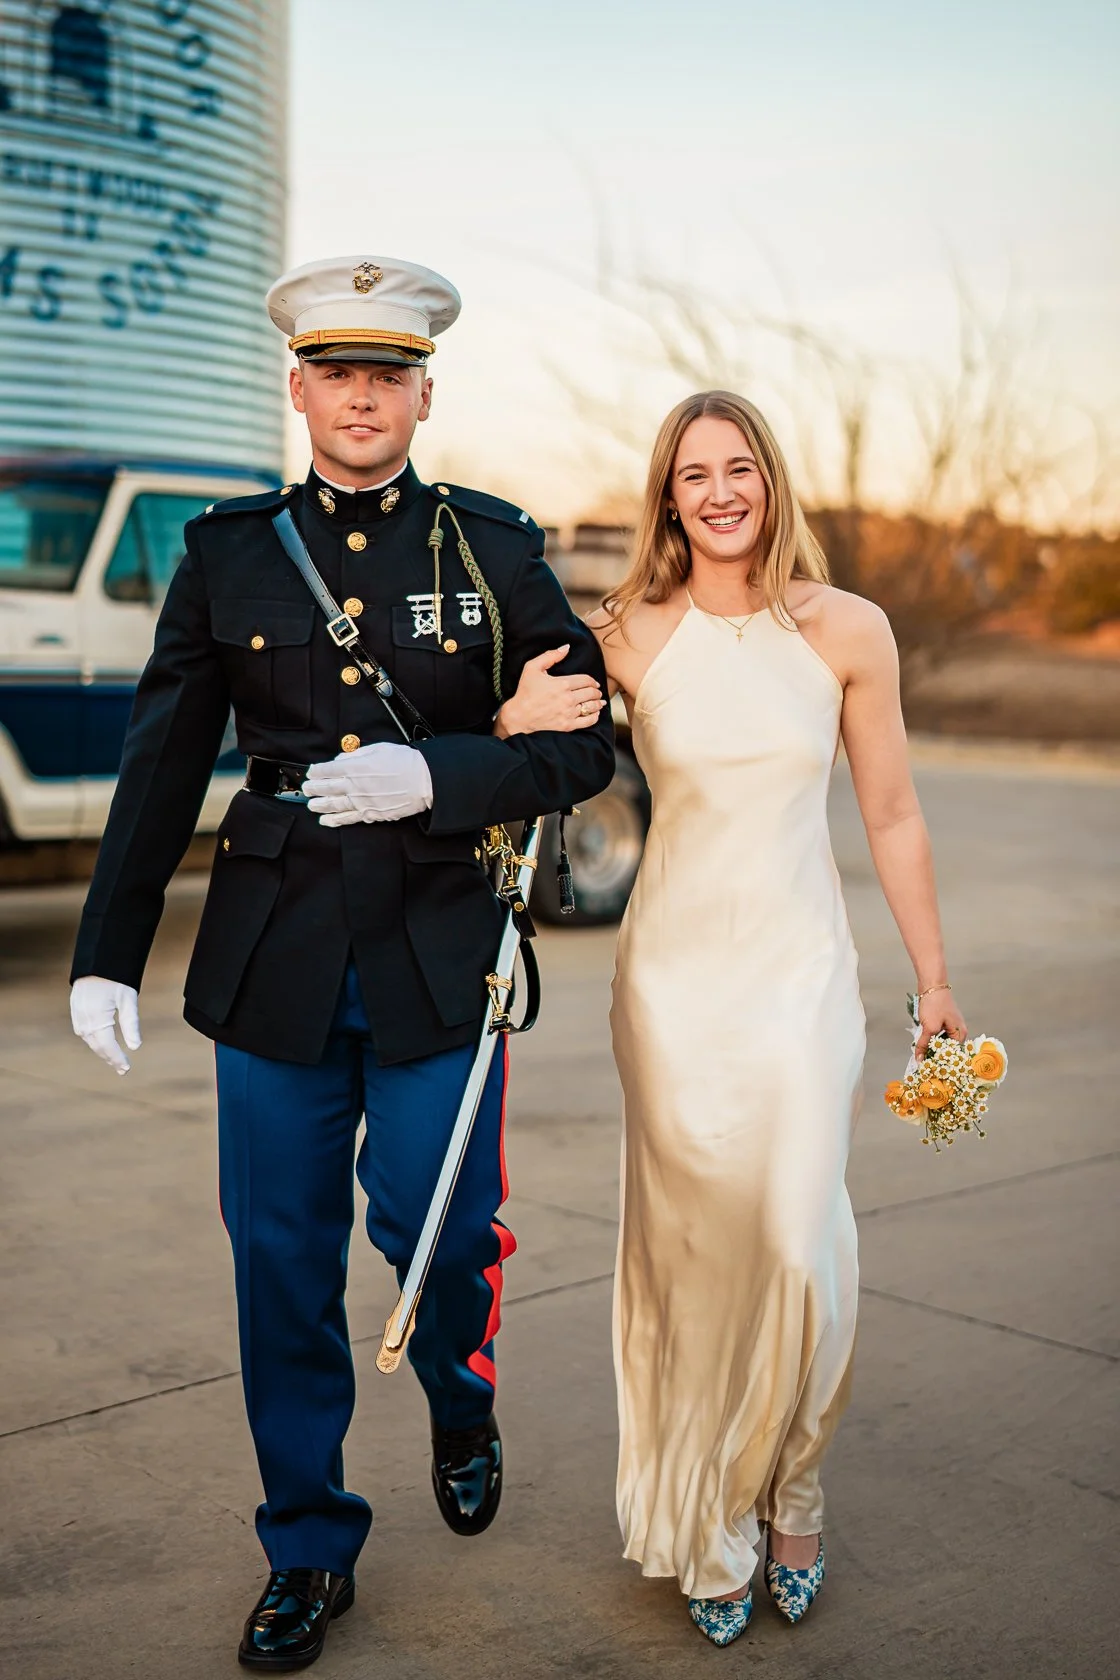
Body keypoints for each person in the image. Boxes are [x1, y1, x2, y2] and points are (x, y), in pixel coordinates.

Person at [68, 255, 614, 1671]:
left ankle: (460, 1389)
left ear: (426, 393)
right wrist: (106, 954)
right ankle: (308, 1543)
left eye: (389, 376)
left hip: (442, 946)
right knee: (279, 1260)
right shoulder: (226, 550)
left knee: (433, 1234)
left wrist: (439, 776)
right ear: (299, 387)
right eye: (336, 373)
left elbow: (585, 740)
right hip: (275, 956)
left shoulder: (495, 550)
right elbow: (160, 763)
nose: (361, 398)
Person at [509, 389, 967, 1646]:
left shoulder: (846, 630)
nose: (717, 491)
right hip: (672, 986)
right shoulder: (624, 634)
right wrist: (505, 722)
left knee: (800, 1239)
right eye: (691, 473)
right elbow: (532, 754)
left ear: (769, 481)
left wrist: (930, 976)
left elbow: (891, 817)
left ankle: (795, 1491)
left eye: (739, 468)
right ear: (667, 494)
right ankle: (708, 1523)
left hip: (801, 974)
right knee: (698, 1256)